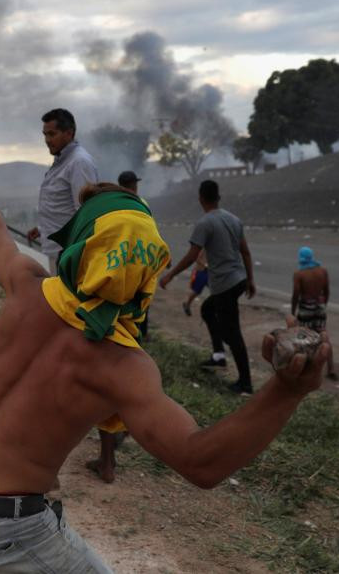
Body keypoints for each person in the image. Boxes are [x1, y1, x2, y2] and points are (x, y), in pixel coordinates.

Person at [0, 135, 330, 574]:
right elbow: (202, 462)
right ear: (147, 272)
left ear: (81, 246)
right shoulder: (125, 367)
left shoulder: (27, 286)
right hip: (0, 526)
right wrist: (286, 391)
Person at [159, 180, 257, 395]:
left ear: (201, 198)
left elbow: (193, 256)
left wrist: (170, 275)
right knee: (207, 309)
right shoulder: (233, 219)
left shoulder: (205, 223)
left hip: (224, 284)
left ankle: (246, 384)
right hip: (238, 279)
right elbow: (246, 252)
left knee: (233, 332)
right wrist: (250, 280)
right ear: (218, 197)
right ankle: (219, 356)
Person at [86, 168, 144, 485]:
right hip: (132, 313)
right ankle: (115, 446)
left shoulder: (111, 221)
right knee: (123, 380)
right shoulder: (142, 214)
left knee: (105, 387)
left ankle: (107, 461)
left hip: (108, 315)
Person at [26, 109, 99, 274]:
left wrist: (75, 256)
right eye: (45, 134)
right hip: (57, 251)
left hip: (69, 254)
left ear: (69, 133)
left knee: (69, 300)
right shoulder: (62, 161)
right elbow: (61, 206)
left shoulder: (79, 163)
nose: (47, 140)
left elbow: (86, 213)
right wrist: (42, 228)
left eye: (52, 134)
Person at [288, 246, 337, 381]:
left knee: (304, 336)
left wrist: (293, 311)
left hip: (305, 309)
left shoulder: (299, 274)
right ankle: (331, 367)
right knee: (323, 335)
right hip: (319, 306)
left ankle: (305, 367)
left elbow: (296, 294)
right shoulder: (322, 271)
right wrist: (322, 305)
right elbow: (327, 291)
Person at [182, 250, 209, 317]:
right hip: (202, 271)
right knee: (197, 291)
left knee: (217, 290)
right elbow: (197, 259)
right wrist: (205, 265)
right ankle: (187, 304)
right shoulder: (205, 248)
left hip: (211, 272)